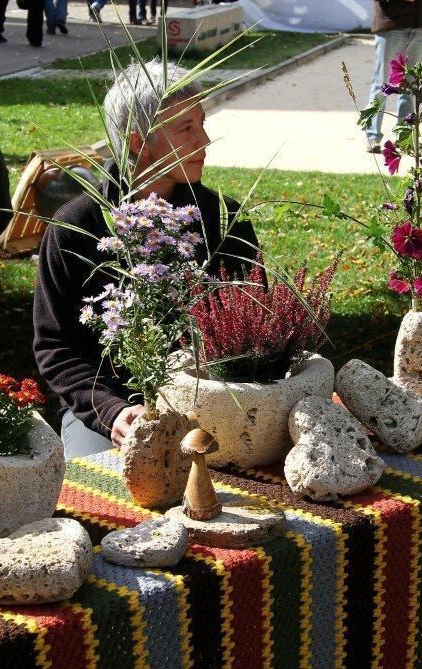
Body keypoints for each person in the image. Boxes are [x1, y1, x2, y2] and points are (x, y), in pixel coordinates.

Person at [33, 60, 260, 458]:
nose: (203, 140)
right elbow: (56, 346)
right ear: (139, 142)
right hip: (110, 414)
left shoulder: (223, 219)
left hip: (214, 404)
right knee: (102, 497)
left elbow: (254, 323)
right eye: (185, 129)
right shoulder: (76, 226)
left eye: (201, 123)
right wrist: (111, 410)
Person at [363, 0, 422, 154]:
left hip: (419, 26)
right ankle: (372, 135)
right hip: (391, 26)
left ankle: (404, 136)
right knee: (382, 84)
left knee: (411, 85)